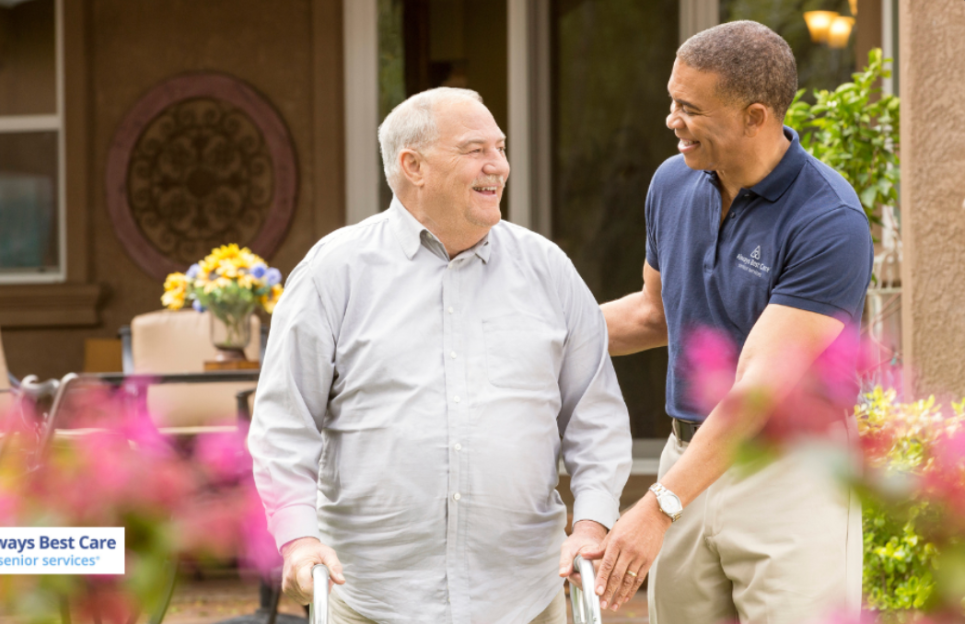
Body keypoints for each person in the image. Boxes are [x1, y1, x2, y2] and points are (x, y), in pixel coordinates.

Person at [248, 87, 632, 624]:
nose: (498, 165)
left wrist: (591, 525)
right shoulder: (334, 272)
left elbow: (595, 417)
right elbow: (284, 425)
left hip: (523, 596)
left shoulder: (549, 270)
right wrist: (297, 540)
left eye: (499, 148)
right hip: (372, 595)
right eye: (476, 149)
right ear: (414, 165)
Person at [592, 21, 872, 624]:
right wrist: (532, 338)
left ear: (755, 116)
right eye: (672, 100)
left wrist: (658, 506)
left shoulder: (828, 219)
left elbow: (760, 392)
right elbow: (651, 312)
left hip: (790, 475)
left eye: (690, 108)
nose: (672, 119)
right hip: (687, 453)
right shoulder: (672, 182)